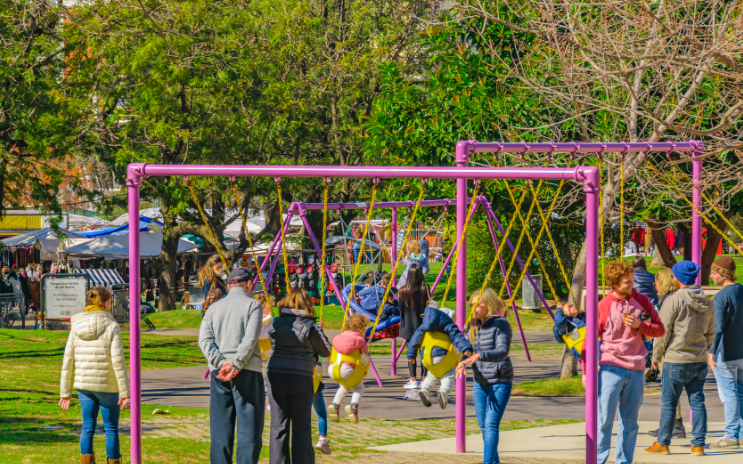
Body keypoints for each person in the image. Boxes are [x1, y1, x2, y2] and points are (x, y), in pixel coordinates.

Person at [581, 260, 664, 464]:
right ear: (614, 284)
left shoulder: (643, 301)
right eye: (627, 282)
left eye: (632, 280)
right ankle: (598, 460)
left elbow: (660, 329)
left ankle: (624, 461)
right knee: (603, 421)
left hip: (636, 369)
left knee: (630, 423)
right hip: (610, 367)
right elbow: (589, 341)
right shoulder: (603, 306)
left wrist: (641, 325)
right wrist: (585, 371)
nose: (632, 285)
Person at [645, 261, 714, 456]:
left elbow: (662, 331)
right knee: (697, 402)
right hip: (698, 359)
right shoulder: (707, 302)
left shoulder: (674, 300)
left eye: (674, 276)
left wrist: (656, 356)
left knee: (669, 403)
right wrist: (705, 349)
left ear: (678, 279)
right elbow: (711, 332)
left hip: (676, 358)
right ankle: (698, 444)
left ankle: (663, 443)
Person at [198, 268, 265, 464]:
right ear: (249, 284)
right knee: (249, 429)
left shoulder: (213, 308)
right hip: (247, 370)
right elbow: (250, 339)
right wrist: (235, 363)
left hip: (218, 372)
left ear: (228, 286)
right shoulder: (253, 305)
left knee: (220, 427)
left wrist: (220, 362)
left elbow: (204, 340)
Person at [59, 286, 129, 464]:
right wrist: (124, 392)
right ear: (106, 303)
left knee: (87, 427)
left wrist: (65, 392)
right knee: (111, 429)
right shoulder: (112, 326)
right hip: (107, 385)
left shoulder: (76, 325)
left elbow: (68, 360)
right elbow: (118, 361)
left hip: (84, 385)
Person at [267, 288, 332, 464]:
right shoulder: (310, 326)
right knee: (301, 426)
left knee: (278, 426)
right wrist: (321, 332)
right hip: (300, 375)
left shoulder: (275, 322)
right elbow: (326, 351)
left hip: (276, 373)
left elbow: (273, 343)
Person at [455, 288, 512, 464]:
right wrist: (463, 360)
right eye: (472, 305)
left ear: (488, 304)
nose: (474, 309)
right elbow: (466, 349)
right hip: (480, 381)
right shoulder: (472, 325)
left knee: (491, 424)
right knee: (483, 426)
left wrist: (480, 355)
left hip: (499, 380)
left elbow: (502, 351)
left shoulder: (501, 324)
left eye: (478, 305)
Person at [407, 300, 472, 409]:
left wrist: (411, 355)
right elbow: (457, 338)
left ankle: (425, 389)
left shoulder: (424, 327)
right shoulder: (449, 326)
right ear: (448, 317)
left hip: (426, 359)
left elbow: (414, 339)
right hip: (442, 356)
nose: (454, 322)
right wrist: (466, 349)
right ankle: (444, 391)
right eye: (454, 319)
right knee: (450, 373)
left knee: (433, 374)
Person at [647, 267, 686, 439]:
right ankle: (673, 425)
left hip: (669, 351)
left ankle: (673, 426)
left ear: (661, 281)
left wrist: (656, 354)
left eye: (655, 281)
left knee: (669, 391)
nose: (654, 285)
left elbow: (663, 330)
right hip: (682, 348)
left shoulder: (665, 301)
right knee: (675, 391)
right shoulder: (677, 298)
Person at [708, 256, 743, 448]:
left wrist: (711, 351)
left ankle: (731, 436)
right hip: (741, 351)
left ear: (723, 274)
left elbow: (718, 327)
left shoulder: (721, 296)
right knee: (741, 394)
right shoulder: (741, 290)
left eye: (714, 272)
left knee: (730, 396)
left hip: (725, 353)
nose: (711, 276)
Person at [327, 313, 369, 423]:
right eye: (365, 329)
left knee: (345, 385)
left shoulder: (337, 338)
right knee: (359, 386)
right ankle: (353, 406)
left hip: (333, 369)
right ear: (360, 329)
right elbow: (364, 359)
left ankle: (335, 404)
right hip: (347, 370)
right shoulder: (361, 341)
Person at [398, 263, 430, 389]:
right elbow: (429, 305)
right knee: (424, 354)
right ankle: (424, 380)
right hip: (422, 325)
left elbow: (400, 310)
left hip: (408, 327)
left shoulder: (402, 291)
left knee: (411, 354)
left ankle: (413, 380)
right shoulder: (425, 289)